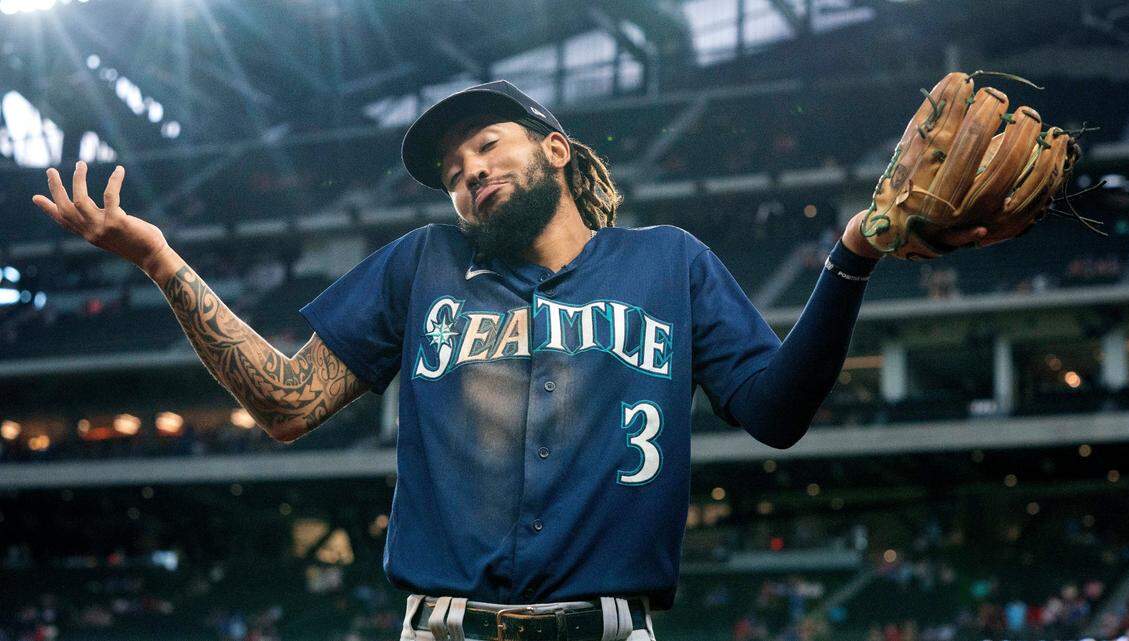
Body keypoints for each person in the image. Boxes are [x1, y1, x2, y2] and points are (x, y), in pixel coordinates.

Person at [31, 80, 986, 641]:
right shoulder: (422, 263)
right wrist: (159, 260)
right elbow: (287, 401)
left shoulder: (671, 261)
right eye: (452, 173)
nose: (469, 173)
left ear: (557, 150)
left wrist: (852, 254)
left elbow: (776, 409)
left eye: (487, 145)